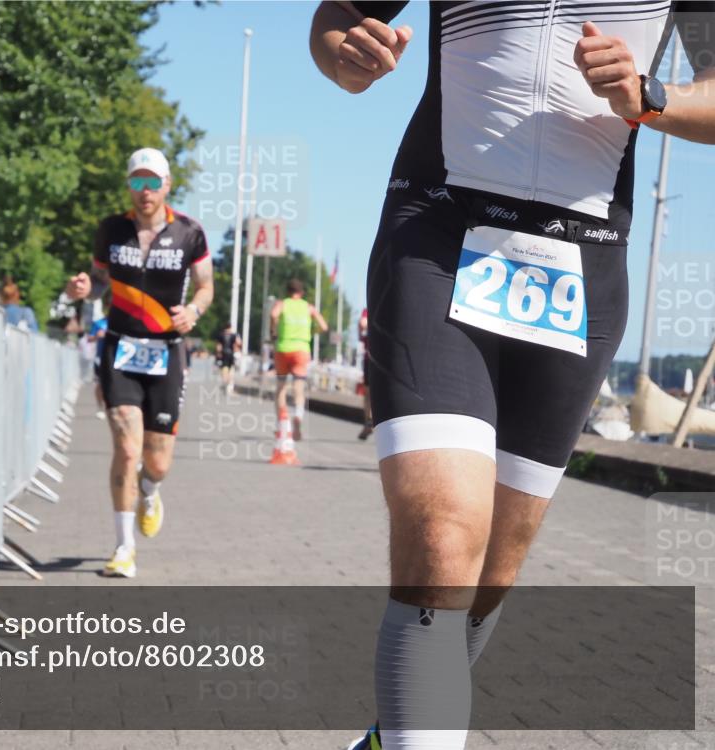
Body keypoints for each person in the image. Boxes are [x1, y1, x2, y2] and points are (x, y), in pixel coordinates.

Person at [310, 2, 715, 748]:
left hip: (581, 268)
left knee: (486, 578)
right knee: (442, 540)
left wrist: (652, 97)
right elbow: (339, 18)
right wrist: (346, 55)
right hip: (437, 233)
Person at [65, 147, 214, 578]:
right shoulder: (111, 229)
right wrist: (83, 287)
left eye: (153, 182)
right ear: (129, 185)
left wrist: (195, 312)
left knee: (158, 461)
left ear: (166, 185)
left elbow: (205, 286)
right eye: (136, 182)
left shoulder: (190, 232)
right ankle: (124, 546)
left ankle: (151, 491)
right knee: (127, 449)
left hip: (167, 350)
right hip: (120, 348)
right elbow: (97, 282)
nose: (144, 191)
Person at [269, 279, 329, 441]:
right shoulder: (308, 307)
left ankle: (281, 423)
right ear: (301, 293)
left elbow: (273, 315)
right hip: (302, 349)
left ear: (288, 291)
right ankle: (298, 418)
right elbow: (324, 327)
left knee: (281, 387)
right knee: (298, 388)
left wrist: (273, 330)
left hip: (283, 347)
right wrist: (311, 332)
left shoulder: (283, 303)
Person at [357, 307, 372, 441]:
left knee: (368, 393)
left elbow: (362, 324)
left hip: (370, 357)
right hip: (389, 357)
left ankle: (369, 421)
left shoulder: (367, 310)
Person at [215, 324, 242, 394]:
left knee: (224, 369)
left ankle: (226, 381)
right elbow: (238, 343)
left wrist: (218, 354)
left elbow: (219, 346)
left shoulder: (221, 335)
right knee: (231, 369)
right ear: (230, 328)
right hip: (230, 354)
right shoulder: (233, 335)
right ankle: (229, 383)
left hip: (223, 354)